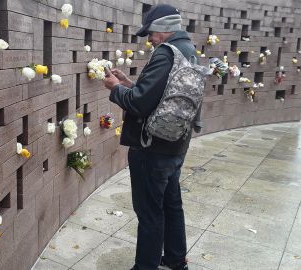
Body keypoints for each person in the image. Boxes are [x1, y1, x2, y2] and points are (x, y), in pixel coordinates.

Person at [103, 4, 201, 270]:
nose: (150, 38)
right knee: (172, 204)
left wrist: (115, 89)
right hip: (176, 143)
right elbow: (162, 97)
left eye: (152, 32)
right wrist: (130, 85)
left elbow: (140, 105)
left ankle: (145, 266)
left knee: (149, 213)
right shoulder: (190, 52)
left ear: (165, 28)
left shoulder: (165, 54)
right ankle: (175, 260)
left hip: (151, 147)